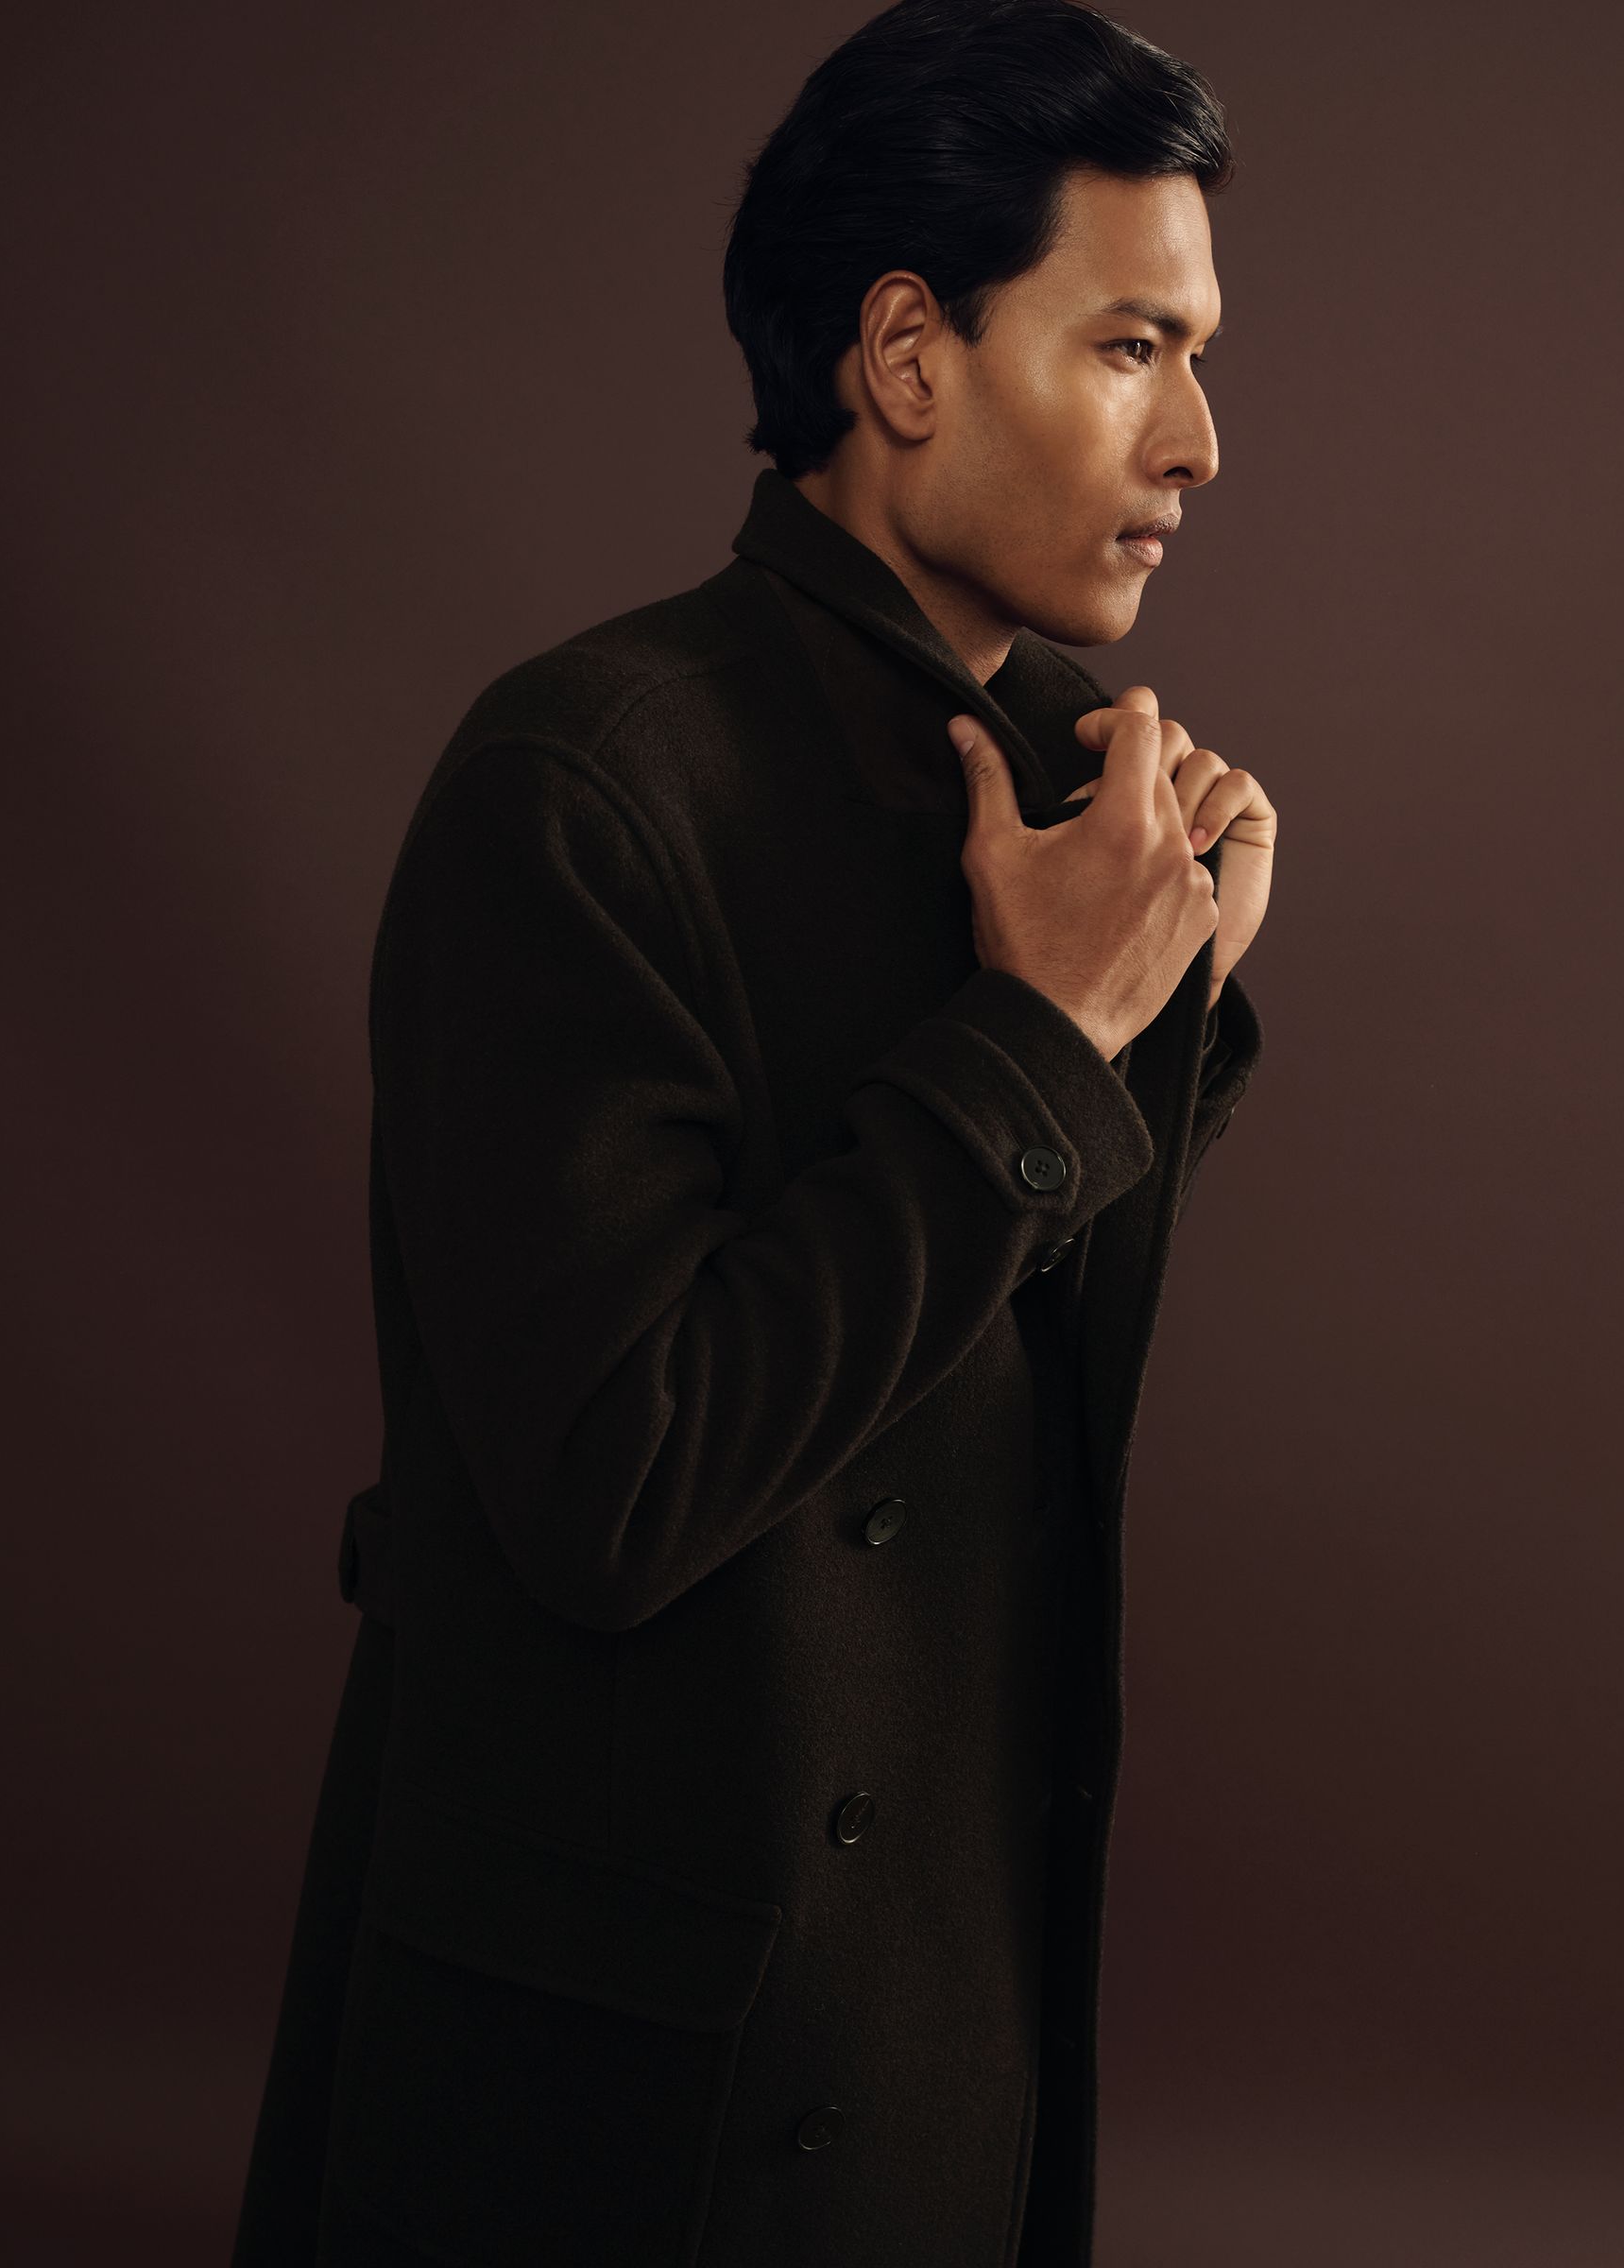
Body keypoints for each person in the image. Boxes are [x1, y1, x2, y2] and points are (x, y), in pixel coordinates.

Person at [231, 3, 1275, 2262]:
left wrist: (1154, 1011)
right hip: (635, 2095)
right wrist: (1051, 1035)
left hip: (947, 2016)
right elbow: (623, 1486)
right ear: (905, 355)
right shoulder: (586, 779)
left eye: (1197, 357)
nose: (1199, 442)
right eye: (1131, 348)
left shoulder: (1078, 786)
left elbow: (1002, 1460)